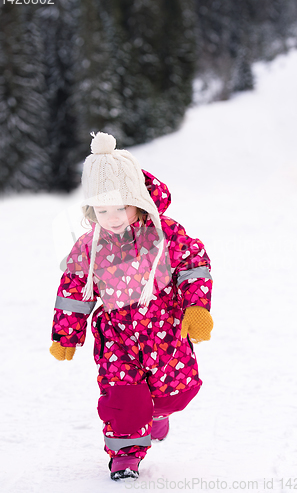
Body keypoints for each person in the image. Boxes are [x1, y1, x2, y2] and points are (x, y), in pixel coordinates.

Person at [50, 132, 213, 482]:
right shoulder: (88, 247)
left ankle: (156, 414)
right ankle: (125, 456)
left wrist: (197, 307)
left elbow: (193, 264)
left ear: (137, 201)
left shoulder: (164, 233)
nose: (111, 217)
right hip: (117, 336)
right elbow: (74, 290)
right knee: (123, 399)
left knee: (176, 393)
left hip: (163, 328)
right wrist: (66, 335)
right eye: (102, 209)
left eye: (120, 207)